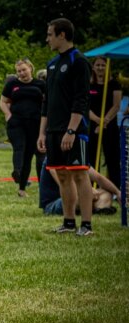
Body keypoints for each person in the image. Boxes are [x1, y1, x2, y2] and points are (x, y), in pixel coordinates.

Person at [37, 18, 93, 236]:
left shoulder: (78, 61)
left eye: (50, 34)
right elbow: (47, 102)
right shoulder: (51, 64)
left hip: (74, 130)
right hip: (53, 130)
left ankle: (86, 225)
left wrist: (71, 131)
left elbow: (81, 99)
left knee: (79, 174)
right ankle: (69, 222)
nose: (47, 38)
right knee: (61, 175)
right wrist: (42, 132)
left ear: (62, 35)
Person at [0, 58, 47, 198]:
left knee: (34, 154)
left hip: (36, 123)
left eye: (24, 70)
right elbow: (3, 101)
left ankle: (39, 186)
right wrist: (8, 115)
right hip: (17, 123)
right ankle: (18, 173)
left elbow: (47, 102)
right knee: (20, 148)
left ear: (30, 68)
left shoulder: (41, 84)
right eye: (19, 71)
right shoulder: (12, 84)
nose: (22, 73)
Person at [87, 56, 123, 187]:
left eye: (103, 65)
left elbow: (116, 105)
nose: (100, 68)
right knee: (90, 158)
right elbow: (85, 106)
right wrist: (97, 121)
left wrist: (104, 122)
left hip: (110, 125)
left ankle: (115, 189)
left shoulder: (114, 84)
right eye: (98, 65)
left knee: (112, 158)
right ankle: (90, 188)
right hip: (92, 125)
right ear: (93, 67)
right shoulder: (89, 84)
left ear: (107, 67)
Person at [39, 158, 120, 216]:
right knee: (81, 196)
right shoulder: (52, 158)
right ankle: (97, 207)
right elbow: (64, 185)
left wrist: (117, 192)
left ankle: (99, 210)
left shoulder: (78, 156)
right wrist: (88, 191)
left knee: (108, 193)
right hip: (53, 204)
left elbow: (99, 178)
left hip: (77, 197)